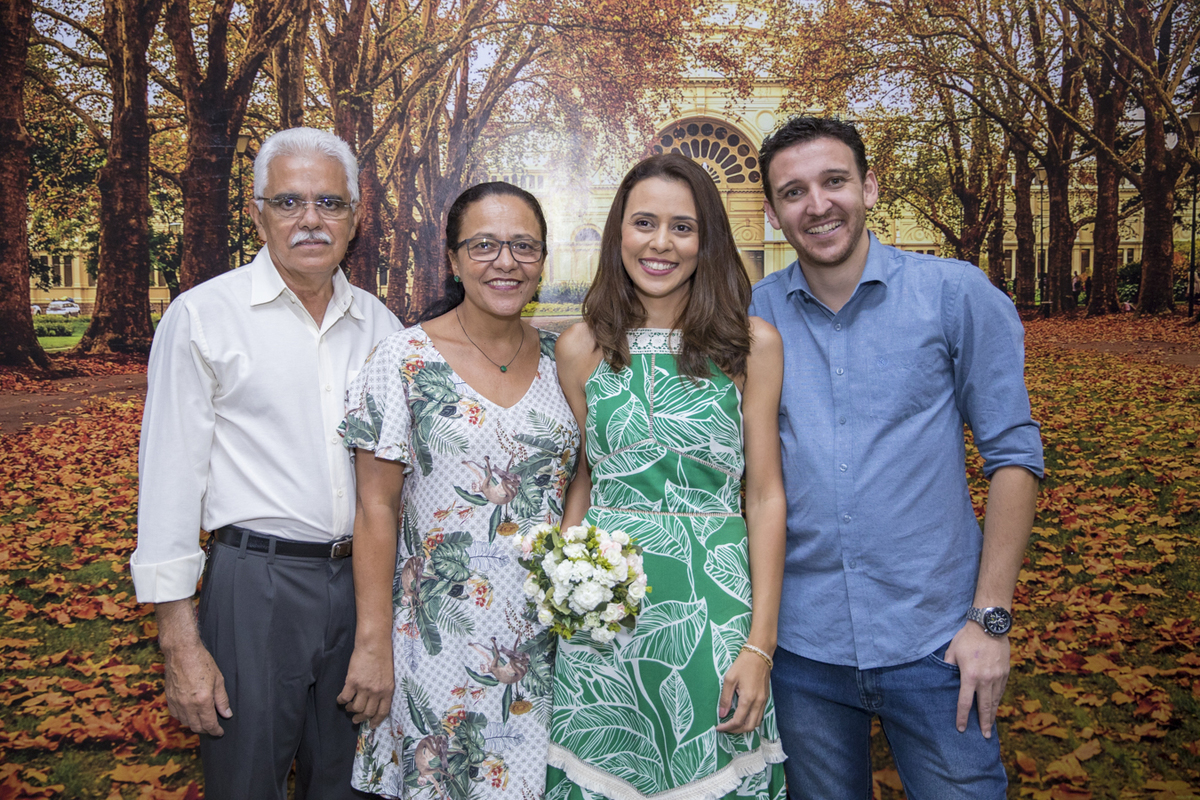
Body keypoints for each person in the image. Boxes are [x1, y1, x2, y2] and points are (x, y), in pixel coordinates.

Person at [748, 116, 1044, 798]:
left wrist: (990, 621)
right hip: (801, 651)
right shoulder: (753, 318)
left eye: (834, 182)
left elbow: (1014, 458)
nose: (817, 205)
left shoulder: (955, 294)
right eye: (793, 192)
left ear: (869, 187)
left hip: (937, 643)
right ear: (772, 212)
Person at [131, 127, 401, 799]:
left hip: (365, 589)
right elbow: (169, 483)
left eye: (330, 203)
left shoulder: (384, 329)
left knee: (352, 785)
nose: (311, 219)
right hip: (254, 587)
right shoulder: (202, 319)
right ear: (257, 215)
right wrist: (179, 642)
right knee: (245, 783)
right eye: (288, 202)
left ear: (356, 215)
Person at [549, 153, 788, 800]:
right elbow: (586, 483)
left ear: (706, 239)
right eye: (644, 223)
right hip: (603, 618)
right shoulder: (580, 347)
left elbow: (764, 498)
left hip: (714, 607)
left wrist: (759, 646)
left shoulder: (751, 344)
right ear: (618, 233)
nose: (661, 243)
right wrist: (564, 594)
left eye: (682, 227)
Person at [338, 182, 580, 799]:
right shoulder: (402, 361)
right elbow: (375, 508)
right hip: (437, 643)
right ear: (451, 259)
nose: (506, 262)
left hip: (550, 649)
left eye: (524, 246)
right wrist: (373, 646)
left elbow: (586, 479)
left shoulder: (567, 360)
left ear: (543, 259)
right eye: (484, 245)